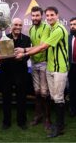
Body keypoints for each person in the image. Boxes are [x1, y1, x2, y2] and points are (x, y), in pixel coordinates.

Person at [15, 7, 69, 137]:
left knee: (56, 97)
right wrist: (25, 51)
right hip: (48, 67)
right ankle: (53, 122)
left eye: (52, 15)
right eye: (48, 15)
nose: (49, 17)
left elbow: (43, 47)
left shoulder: (58, 29)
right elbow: (38, 46)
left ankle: (57, 126)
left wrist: (24, 52)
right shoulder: (49, 29)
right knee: (49, 95)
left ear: (57, 15)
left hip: (58, 68)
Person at [0, 18, 31, 130]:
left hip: (21, 72)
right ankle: (6, 122)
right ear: (10, 26)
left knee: (21, 97)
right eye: (15, 25)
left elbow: (28, 54)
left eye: (20, 25)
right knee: (6, 97)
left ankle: (21, 121)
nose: (17, 27)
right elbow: (2, 56)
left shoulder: (27, 39)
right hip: (6, 72)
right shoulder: (4, 38)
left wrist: (21, 58)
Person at [29, 6, 51, 129]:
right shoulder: (31, 29)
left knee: (44, 92)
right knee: (36, 92)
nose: (35, 18)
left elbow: (42, 46)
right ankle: (38, 116)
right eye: (33, 15)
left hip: (43, 63)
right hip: (34, 63)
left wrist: (25, 52)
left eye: (37, 15)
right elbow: (33, 45)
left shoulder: (46, 27)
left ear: (41, 16)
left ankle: (47, 118)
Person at [68, 17, 76, 117]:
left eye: (74, 24)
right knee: (72, 89)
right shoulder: (68, 38)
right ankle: (73, 109)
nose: (72, 26)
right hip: (71, 67)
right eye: (71, 24)